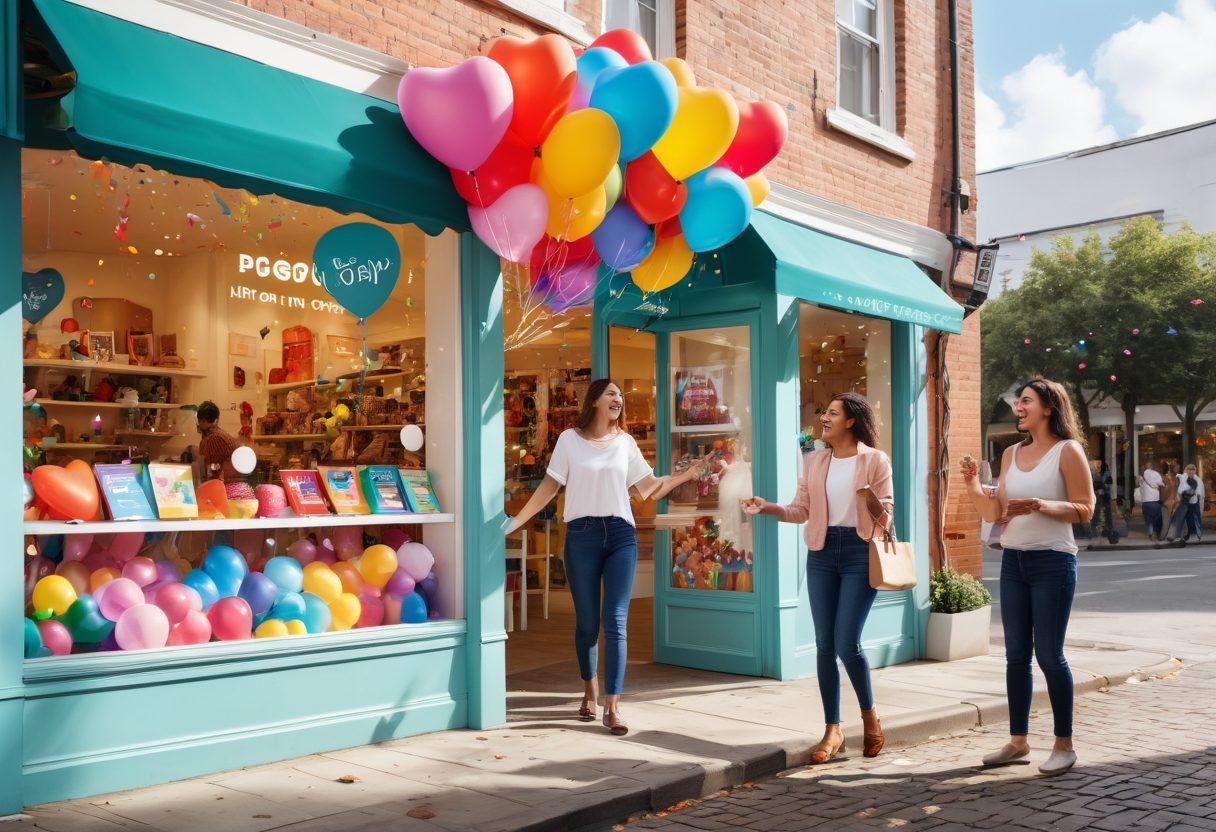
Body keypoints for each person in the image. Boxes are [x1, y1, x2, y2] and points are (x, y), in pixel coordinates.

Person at [504, 379, 706, 735]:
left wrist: (686, 474)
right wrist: (515, 524)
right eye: (612, 393)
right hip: (580, 537)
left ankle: (613, 706)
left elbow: (648, 489)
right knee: (587, 624)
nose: (619, 399)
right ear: (595, 400)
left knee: (615, 621)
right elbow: (549, 488)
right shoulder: (569, 440)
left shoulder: (625, 443)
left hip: (620, 536)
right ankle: (589, 690)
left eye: (620, 395)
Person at [740, 392, 892, 764]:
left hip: (859, 552)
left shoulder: (874, 459)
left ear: (851, 421)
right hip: (822, 553)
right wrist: (769, 507)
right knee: (825, 643)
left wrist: (871, 500)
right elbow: (801, 510)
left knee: (846, 642)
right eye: (825, 411)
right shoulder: (815, 460)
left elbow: (886, 514)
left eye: (833, 413)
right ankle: (832, 729)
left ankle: (870, 716)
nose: (824, 417)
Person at [961, 377, 1094, 776]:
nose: (1018, 407)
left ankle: (1064, 744)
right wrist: (971, 483)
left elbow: (1085, 509)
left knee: (1049, 655)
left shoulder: (1068, 451)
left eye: (1026, 401)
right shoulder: (1010, 454)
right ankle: (1018, 742)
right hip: (1014, 561)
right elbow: (994, 514)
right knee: (1015, 656)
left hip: (1052, 561)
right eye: (1017, 401)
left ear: (1048, 408)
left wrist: (1041, 505)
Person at [195, 400, 241, 482]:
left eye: (200, 421)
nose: (198, 425)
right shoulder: (220, 434)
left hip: (226, 487)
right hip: (232, 483)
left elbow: (213, 471)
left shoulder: (213, 439)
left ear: (202, 421)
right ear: (217, 420)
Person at [1170, 463, 1205, 543]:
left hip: (1193, 503)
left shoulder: (1197, 480)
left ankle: (1195, 535)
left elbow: (1200, 494)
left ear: (1195, 471)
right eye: (1189, 470)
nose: (1191, 472)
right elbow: (1180, 489)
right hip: (1186, 502)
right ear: (1186, 470)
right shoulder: (1184, 477)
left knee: (1193, 519)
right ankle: (1182, 535)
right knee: (1185, 519)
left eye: (1192, 470)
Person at [1139, 462, 1165, 542]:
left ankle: (1150, 534)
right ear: (1151, 467)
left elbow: (1140, 488)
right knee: (1157, 519)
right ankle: (1156, 533)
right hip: (1154, 501)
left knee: (1148, 520)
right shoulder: (1155, 474)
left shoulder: (1141, 477)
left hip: (1145, 502)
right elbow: (1161, 483)